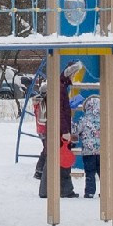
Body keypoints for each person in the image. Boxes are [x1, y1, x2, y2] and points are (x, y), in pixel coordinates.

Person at [32, 66, 76, 199]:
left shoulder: (60, 87)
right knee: (59, 159)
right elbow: (59, 112)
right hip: (57, 130)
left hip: (54, 130)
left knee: (53, 158)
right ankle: (61, 190)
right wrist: (64, 131)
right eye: (74, 74)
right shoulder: (60, 89)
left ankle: (50, 189)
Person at [71, 69, 101, 200]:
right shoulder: (104, 119)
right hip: (101, 152)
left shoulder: (84, 119)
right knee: (103, 172)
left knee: (90, 172)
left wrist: (72, 121)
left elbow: (76, 131)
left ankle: (89, 192)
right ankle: (105, 191)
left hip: (88, 152)